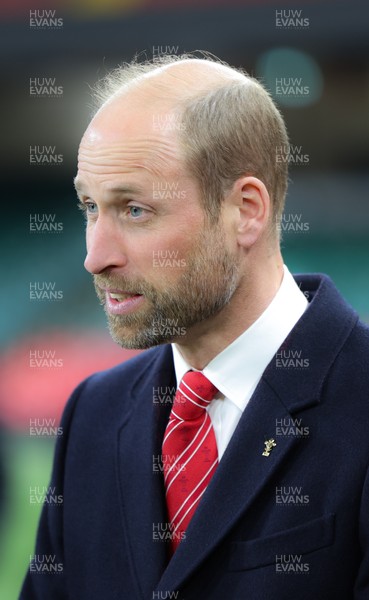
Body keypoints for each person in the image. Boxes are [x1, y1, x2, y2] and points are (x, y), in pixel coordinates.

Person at [20, 54, 369, 600]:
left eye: (134, 210)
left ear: (245, 211)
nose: (95, 256)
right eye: (91, 206)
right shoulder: (93, 413)